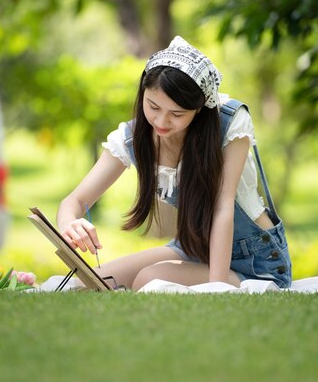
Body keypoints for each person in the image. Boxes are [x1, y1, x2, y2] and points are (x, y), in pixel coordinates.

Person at [57, 36, 292, 291]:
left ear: (199, 108)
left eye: (177, 114)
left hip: (255, 262)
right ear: (143, 93)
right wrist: (70, 223)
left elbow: (222, 209)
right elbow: (74, 202)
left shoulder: (229, 123)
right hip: (193, 249)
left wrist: (216, 288)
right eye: (153, 106)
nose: (161, 121)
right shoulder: (132, 138)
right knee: (87, 283)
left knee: (149, 279)